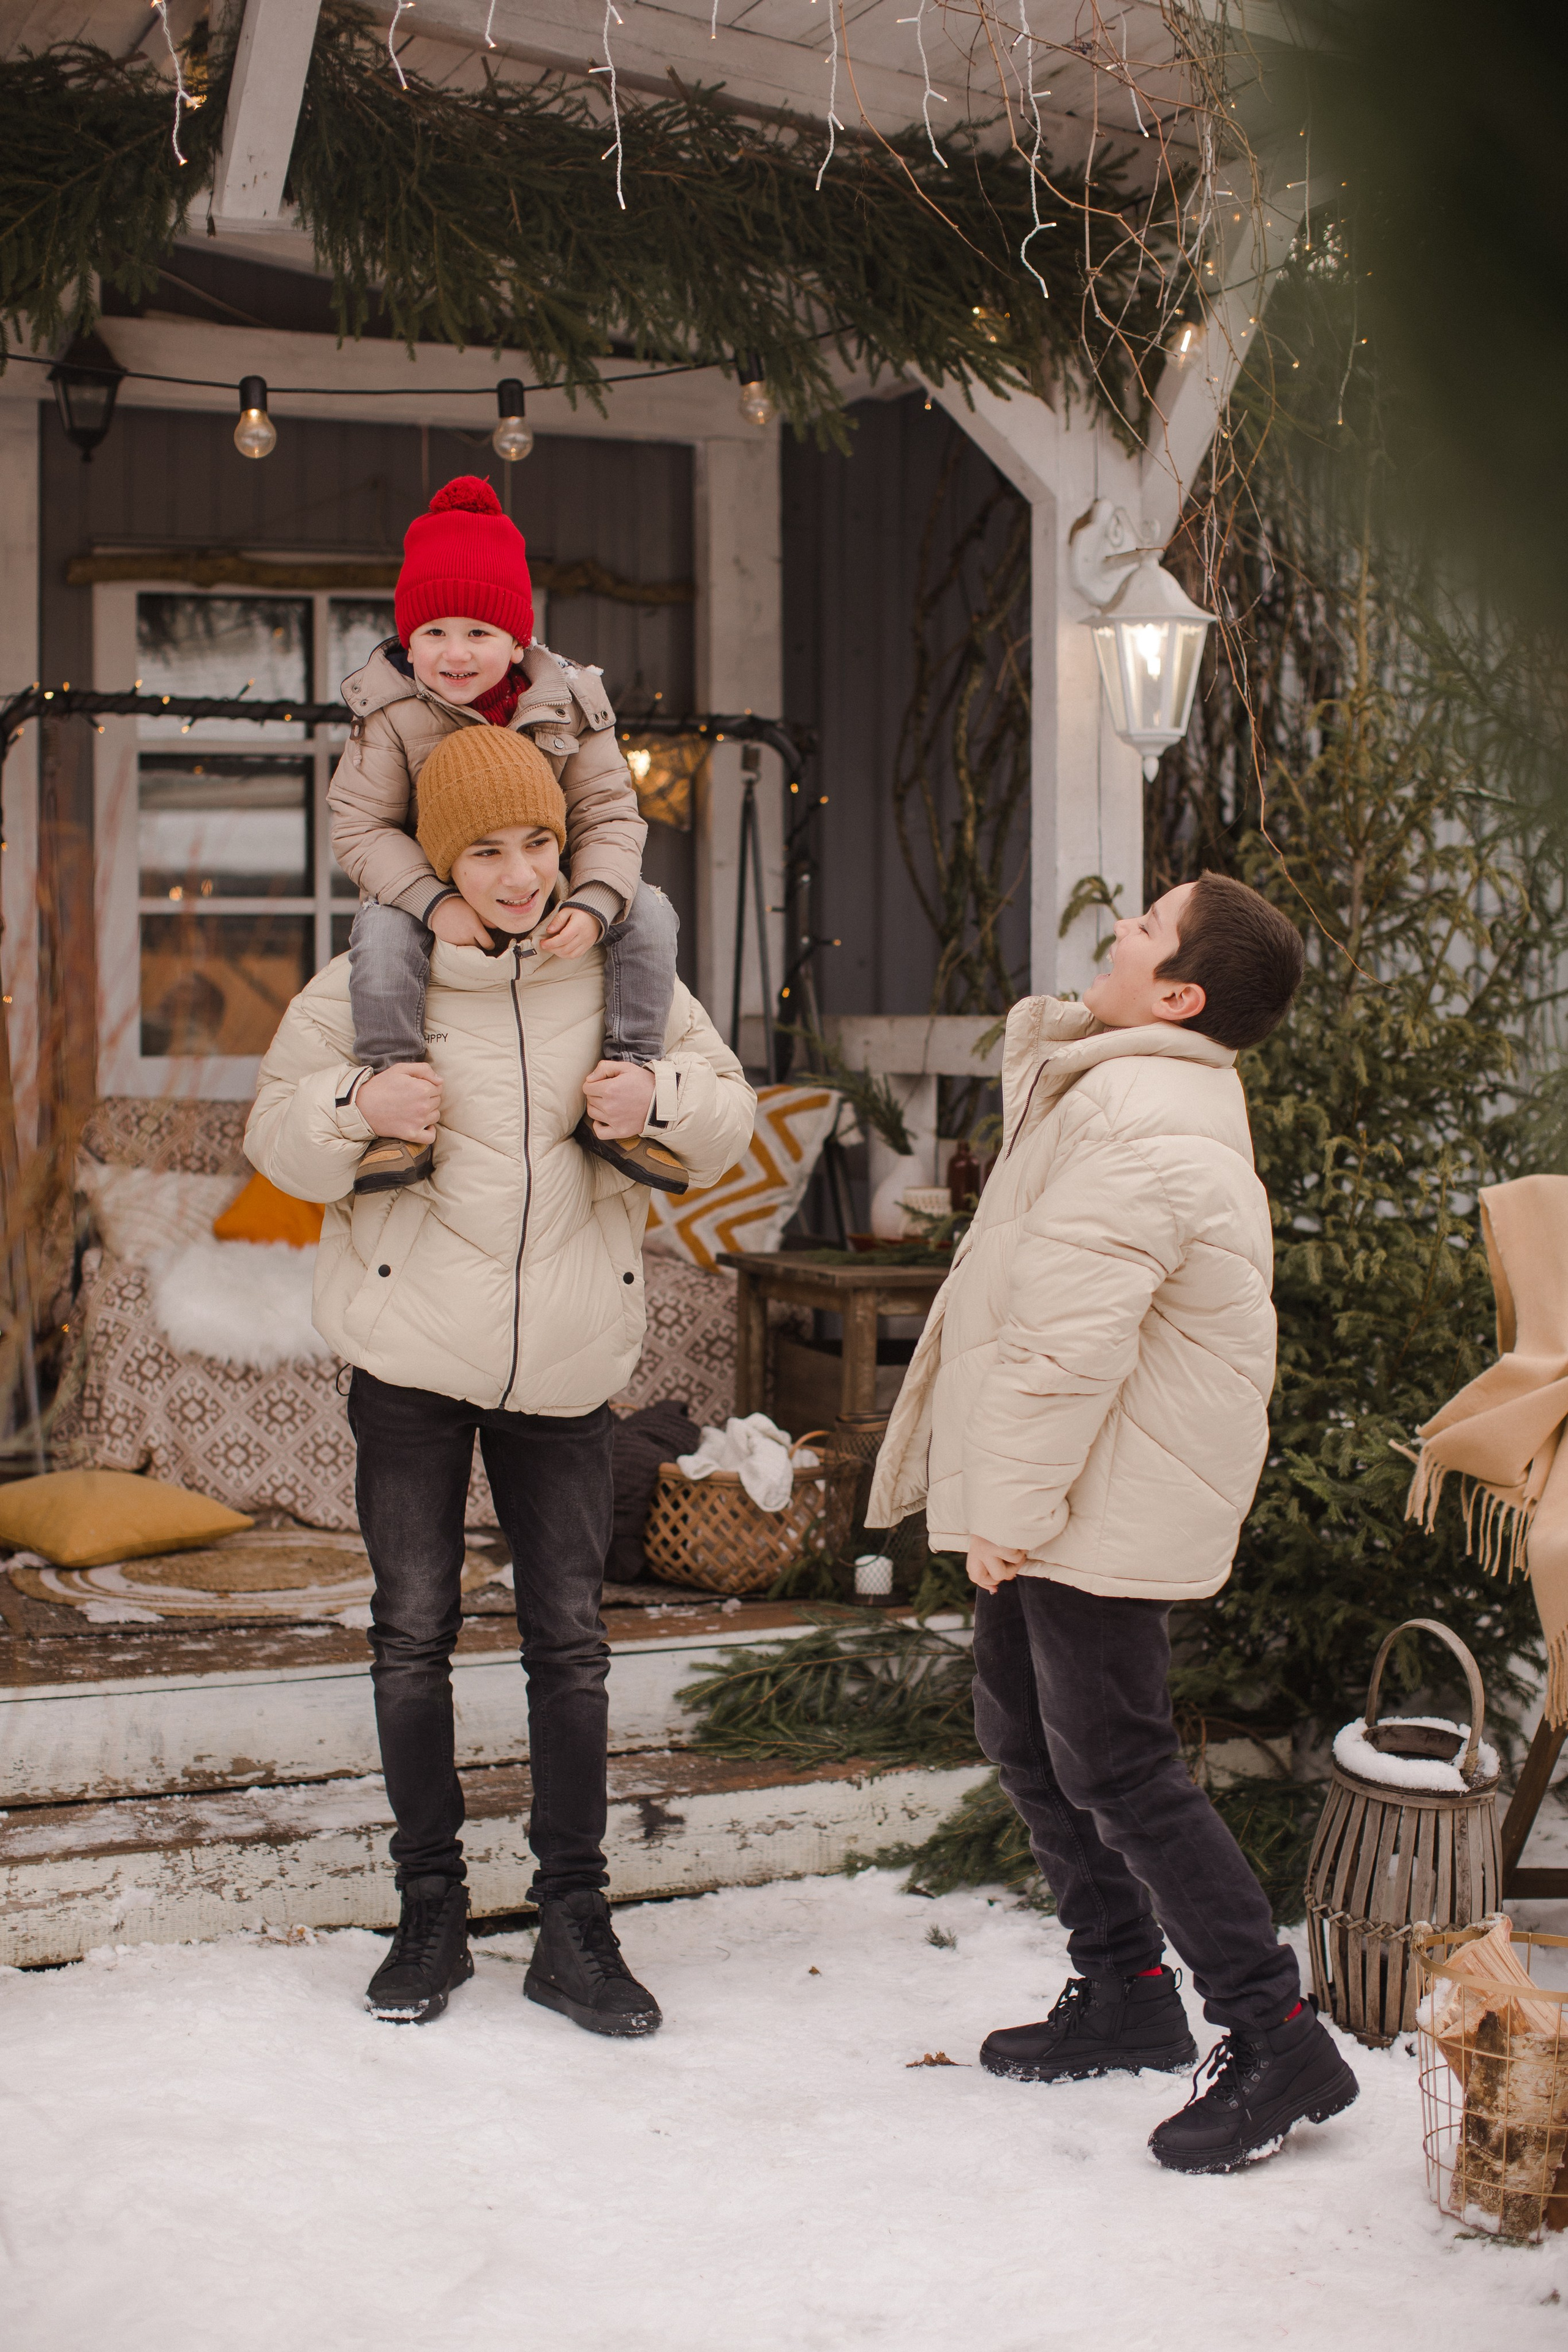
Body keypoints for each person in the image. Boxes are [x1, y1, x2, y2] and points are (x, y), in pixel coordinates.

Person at [246, 723, 756, 2032]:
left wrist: (653, 1092)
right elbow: (276, 1139)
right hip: (412, 1358)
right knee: (413, 1635)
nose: (522, 873)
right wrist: (360, 1113)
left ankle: (573, 1924)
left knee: (569, 1644)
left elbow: (727, 1112)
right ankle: (430, 1912)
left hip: (568, 1362)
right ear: (437, 860)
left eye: (539, 841)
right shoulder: (373, 982)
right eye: (488, 849)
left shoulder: (614, 970)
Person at [868, 872, 1360, 2175]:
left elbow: (1066, 1344)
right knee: (1024, 1731)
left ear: (1178, 993)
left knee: (1117, 1764)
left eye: (1144, 927)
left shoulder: (1144, 1118)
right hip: (1067, 1481)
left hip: (1095, 1489)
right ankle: (1125, 1989)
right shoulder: (1113, 1087)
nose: (1117, 932)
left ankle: (1275, 2036)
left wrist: (1010, 1512)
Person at [329, 473, 689, 1199]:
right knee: (380, 934)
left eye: (478, 633)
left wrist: (591, 901)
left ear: (515, 636)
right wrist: (434, 904)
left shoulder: (567, 702)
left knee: (647, 910)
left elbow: (608, 812)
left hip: (542, 886)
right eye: (433, 632)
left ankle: (627, 1084)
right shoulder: (393, 711)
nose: (454, 654)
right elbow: (361, 824)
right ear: (409, 637)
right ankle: (397, 1105)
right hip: (431, 886)